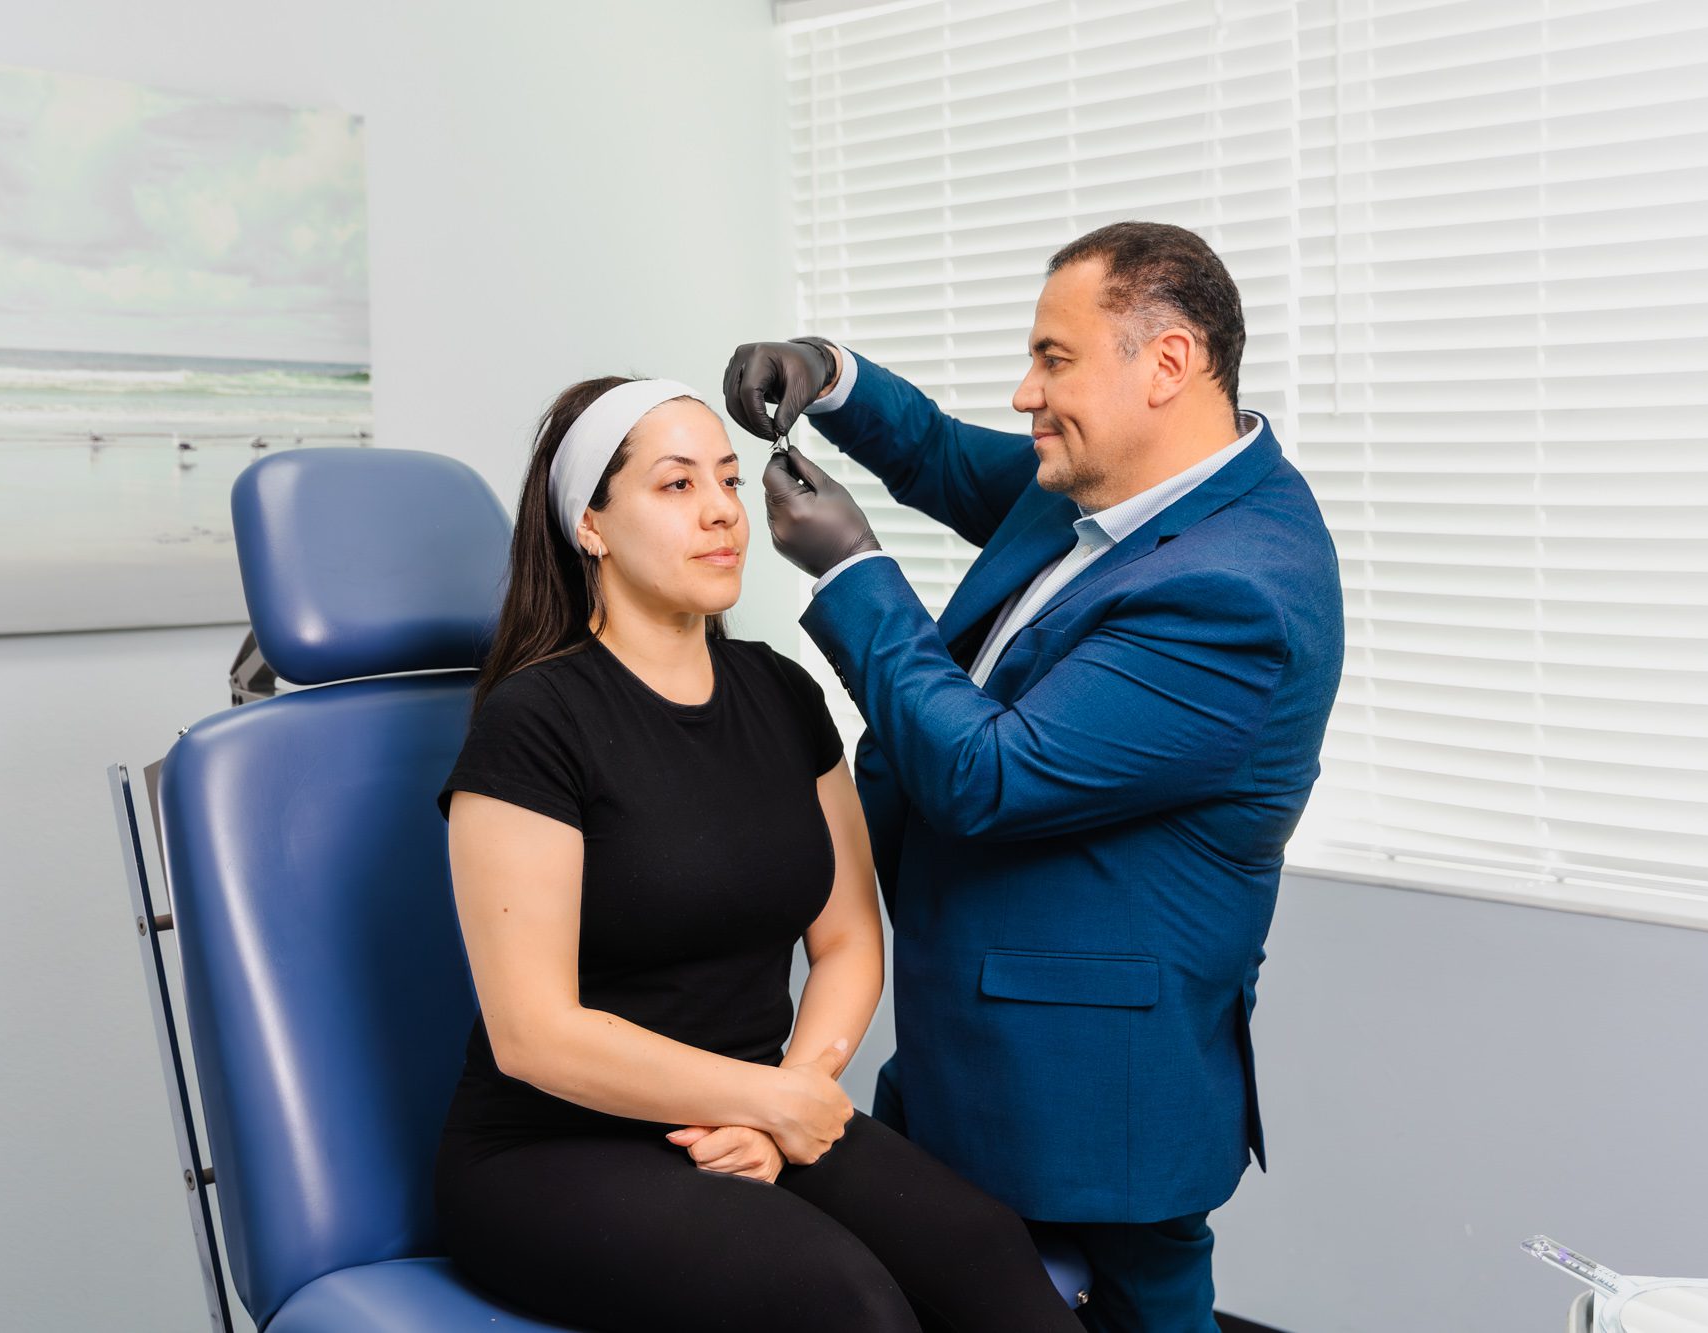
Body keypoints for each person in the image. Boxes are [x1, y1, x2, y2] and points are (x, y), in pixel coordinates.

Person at [721, 221, 1345, 1333]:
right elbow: (946, 459)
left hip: (1088, 1091)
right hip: (975, 1049)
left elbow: (985, 774)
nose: (1024, 393)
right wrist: (828, 373)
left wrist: (853, 571)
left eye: (1054, 359)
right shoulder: (1116, 486)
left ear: (1166, 365)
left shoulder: (1234, 591)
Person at [431, 375, 1085, 1333]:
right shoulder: (535, 721)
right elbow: (535, 1033)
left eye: (730, 482)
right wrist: (768, 1100)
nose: (721, 514)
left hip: (759, 1108)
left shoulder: (781, 692)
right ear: (592, 526)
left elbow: (851, 937)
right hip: (553, 1146)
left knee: (989, 1254)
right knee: (846, 1307)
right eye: (675, 485)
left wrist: (796, 1097)